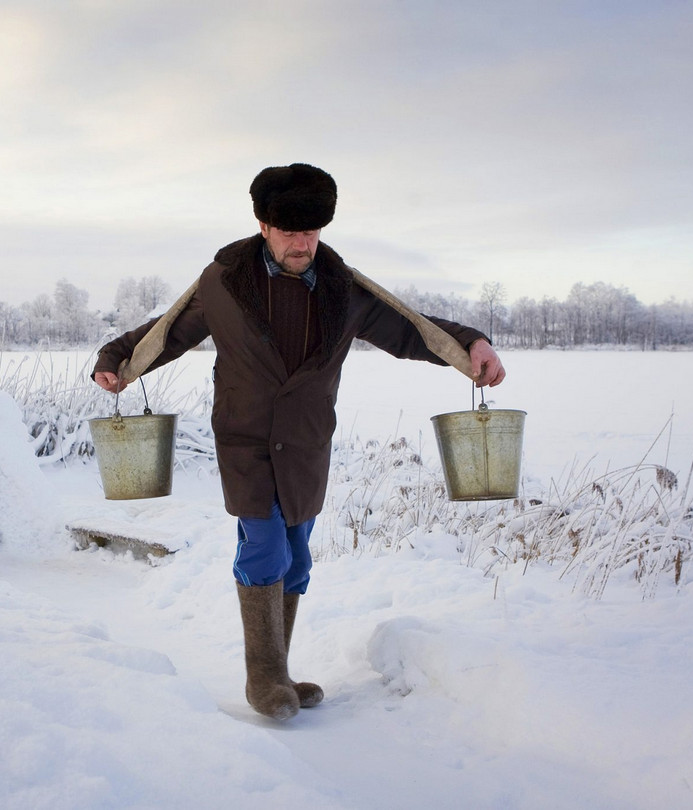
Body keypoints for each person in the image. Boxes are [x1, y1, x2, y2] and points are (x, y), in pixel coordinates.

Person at [91, 163, 505, 720]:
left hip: (308, 442)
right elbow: (165, 331)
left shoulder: (344, 288)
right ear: (264, 225)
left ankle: (280, 671)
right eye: (289, 230)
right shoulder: (224, 281)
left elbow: (410, 328)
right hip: (245, 440)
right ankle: (263, 678)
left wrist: (470, 347)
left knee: (298, 557)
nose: (301, 242)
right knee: (263, 547)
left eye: (311, 231)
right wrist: (116, 362)